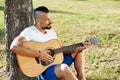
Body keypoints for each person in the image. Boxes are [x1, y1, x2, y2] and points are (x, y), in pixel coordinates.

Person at [10, 6, 90, 80]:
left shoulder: (51, 32)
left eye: (50, 18)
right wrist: (38, 54)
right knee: (64, 68)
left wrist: (79, 47)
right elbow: (14, 46)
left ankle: (81, 78)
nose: (51, 22)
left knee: (79, 51)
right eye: (47, 20)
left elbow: (62, 49)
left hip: (57, 63)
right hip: (44, 71)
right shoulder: (29, 31)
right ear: (38, 20)